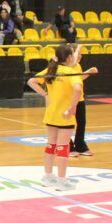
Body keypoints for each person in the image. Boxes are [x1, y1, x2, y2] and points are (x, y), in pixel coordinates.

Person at [26, 44, 83, 191]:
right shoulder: (71, 72)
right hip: (65, 116)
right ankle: (62, 181)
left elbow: (31, 81)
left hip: (51, 114)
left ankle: (48, 177)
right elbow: (78, 89)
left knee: (51, 145)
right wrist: (72, 107)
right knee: (63, 147)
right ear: (69, 57)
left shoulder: (51, 70)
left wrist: (45, 94)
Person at [66, 44, 99, 157]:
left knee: (81, 123)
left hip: (79, 99)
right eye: (77, 54)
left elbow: (78, 78)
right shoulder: (67, 66)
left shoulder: (77, 65)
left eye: (80, 54)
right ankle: (68, 147)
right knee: (68, 124)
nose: (80, 56)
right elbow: (73, 62)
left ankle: (80, 146)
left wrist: (89, 72)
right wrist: (79, 47)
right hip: (68, 100)